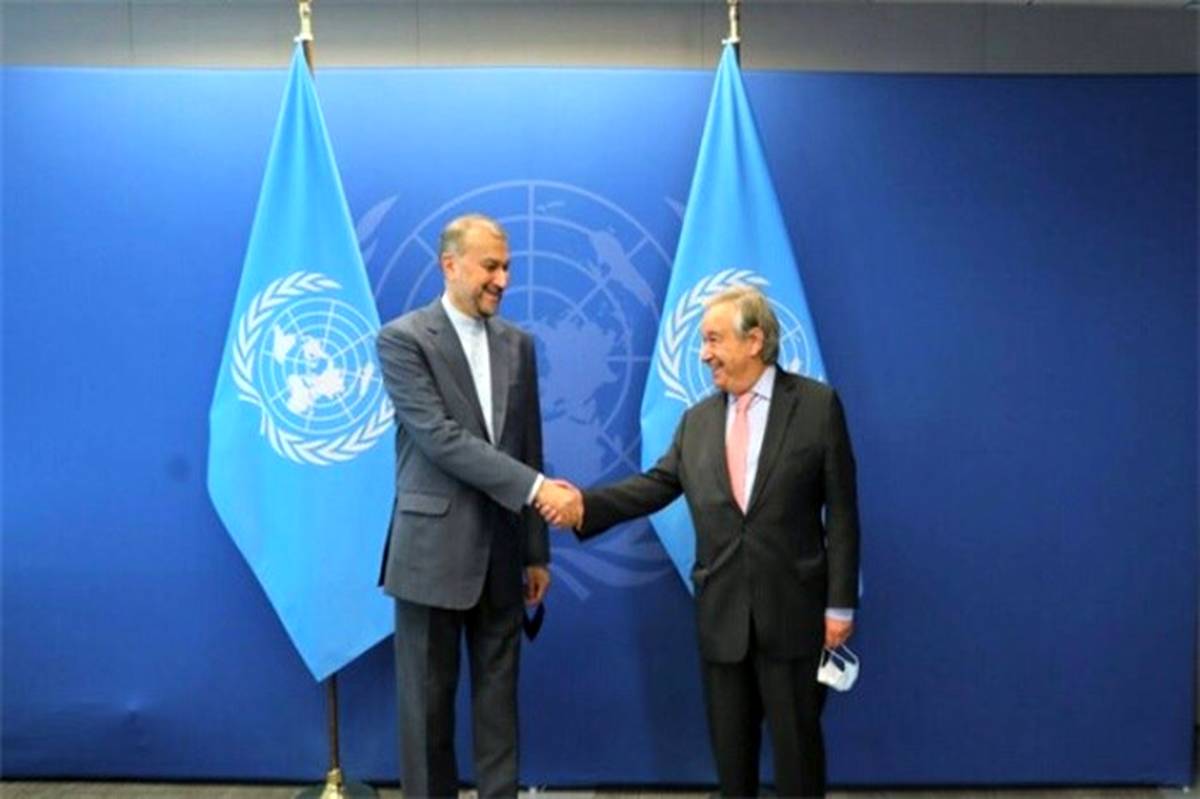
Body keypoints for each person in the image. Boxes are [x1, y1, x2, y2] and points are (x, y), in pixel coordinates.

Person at [539, 285, 860, 798]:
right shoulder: (697, 421)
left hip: (793, 614)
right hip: (722, 616)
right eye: (702, 341)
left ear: (754, 341)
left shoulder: (817, 407)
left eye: (713, 339)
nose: (703, 353)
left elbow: (842, 513)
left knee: (799, 755)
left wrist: (839, 605)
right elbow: (655, 486)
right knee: (731, 760)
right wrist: (584, 506)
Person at [376, 213, 576, 798]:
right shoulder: (403, 340)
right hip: (429, 558)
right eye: (491, 266)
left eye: (507, 267)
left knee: (499, 712)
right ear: (450, 265)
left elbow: (528, 444)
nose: (503, 280)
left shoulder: (519, 345)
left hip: (503, 557)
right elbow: (441, 439)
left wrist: (536, 552)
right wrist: (538, 490)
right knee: (426, 718)